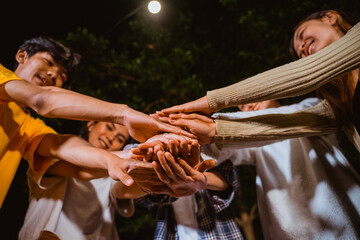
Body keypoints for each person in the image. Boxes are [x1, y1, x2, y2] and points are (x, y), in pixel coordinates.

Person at [0, 36, 191, 208]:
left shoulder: (27, 127)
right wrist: (124, 114)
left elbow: (75, 162)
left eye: (61, 77)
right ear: (21, 56)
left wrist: (148, 153)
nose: (52, 75)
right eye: (48, 62)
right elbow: (42, 100)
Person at [157, 10, 360, 151]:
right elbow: (284, 126)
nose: (300, 49)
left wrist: (212, 102)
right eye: (299, 54)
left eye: (301, 35)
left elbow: (307, 73)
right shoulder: (338, 108)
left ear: (330, 17)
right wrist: (214, 130)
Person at [161, 98, 360, 238]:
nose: (246, 105)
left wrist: (218, 126)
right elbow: (222, 149)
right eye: (241, 107)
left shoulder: (308, 107)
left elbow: (286, 119)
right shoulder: (254, 146)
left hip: (344, 228)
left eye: (249, 98)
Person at [19, 121, 137, 240]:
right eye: (109, 127)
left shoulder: (111, 176)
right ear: (91, 125)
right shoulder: (60, 152)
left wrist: (151, 171)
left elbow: (127, 189)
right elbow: (79, 169)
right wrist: (131, 157)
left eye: (120, 139)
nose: (110, 138)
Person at [118, 133, 244, 240]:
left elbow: (230, 182)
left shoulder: (207, 152)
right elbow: (146, 198)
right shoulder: (143, 155)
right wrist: (155, 177)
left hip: (219, 233)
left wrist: (202, 181)